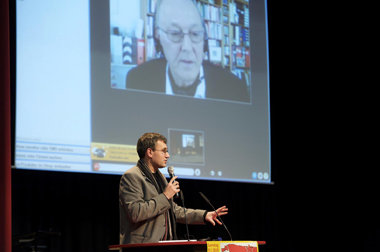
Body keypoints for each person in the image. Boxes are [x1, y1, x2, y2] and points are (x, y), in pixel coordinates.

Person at [126, 0, 249, 102]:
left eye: (195, 34)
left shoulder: (235, 90)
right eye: (175, 33)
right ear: (159, 37)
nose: (187, 47)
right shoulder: (137, 80)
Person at [119, 132, 228, 244]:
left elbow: (173, 210)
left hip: (163, 245)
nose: (168, 155)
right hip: (141, 247)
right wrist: (165, 196)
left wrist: (204, 215)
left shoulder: (160, 177)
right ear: (150, 152)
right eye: (164, 151)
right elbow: (136, 213)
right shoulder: (132, 176)